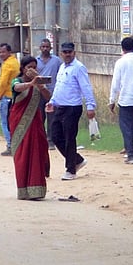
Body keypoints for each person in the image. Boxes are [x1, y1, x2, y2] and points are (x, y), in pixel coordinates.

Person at [46, 42, 96, 180]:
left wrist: (91, 106)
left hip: (73, 107)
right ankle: (77, 160)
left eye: (70, 52)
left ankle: (71, 170)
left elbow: (86, 87)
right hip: (60, 106)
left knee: (69, 137)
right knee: (55, 135)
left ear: (74, 53)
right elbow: (59, 86)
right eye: (65, 52)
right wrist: (52, 101)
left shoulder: (79, 68)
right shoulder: (62, 67)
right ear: (61, 53)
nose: (67, 54)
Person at [10, 56, 52, 199]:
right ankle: (23, 190)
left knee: (37, 151)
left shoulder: (37, 83)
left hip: (35, 122)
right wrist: (31, 83)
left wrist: (40, 85)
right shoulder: (18, 81)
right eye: (29, 67)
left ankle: (36, 190)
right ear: (23, 69)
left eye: (35, 67)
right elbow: (16, 87)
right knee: (22, 154)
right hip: (20, 123)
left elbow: (48, 96)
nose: (32, 70)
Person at [35, 38, 62, 150]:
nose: (45, 49)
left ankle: (51, 140)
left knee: (52, 117)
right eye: (43, 47)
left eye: (47, 47)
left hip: (52, 94)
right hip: (39, 92)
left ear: (50, 48)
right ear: (40, 48)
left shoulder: (56, 61)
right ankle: (41, 140)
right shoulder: (36, 61)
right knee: (40, 117)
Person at [0, 43, 19, 155]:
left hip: (7, 96)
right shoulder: (15, 62)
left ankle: (10, 145)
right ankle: (15, 145)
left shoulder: (8, 64)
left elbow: (4, 82)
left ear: (9, 52)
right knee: (12, 122)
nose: (1, 54)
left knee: (5, 122)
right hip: (14, 96)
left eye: (3, 52)